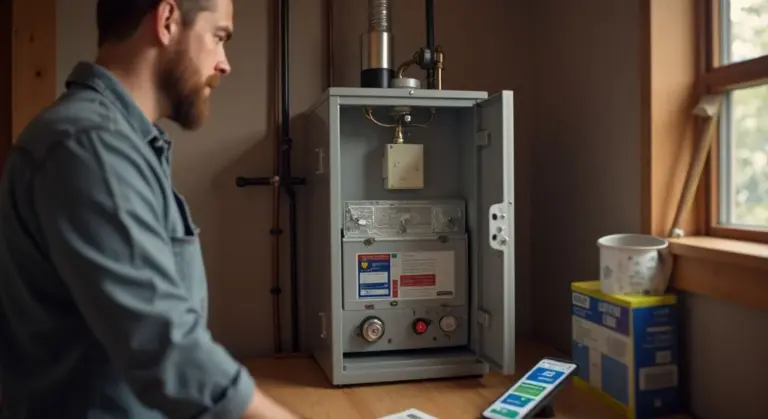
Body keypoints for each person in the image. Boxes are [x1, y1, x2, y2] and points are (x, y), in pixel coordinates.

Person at [0, 0, 302, 418]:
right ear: (167, 21)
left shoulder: (123, 145)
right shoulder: (88, 146)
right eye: (218, 37)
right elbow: (164, 346)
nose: (224, 63)